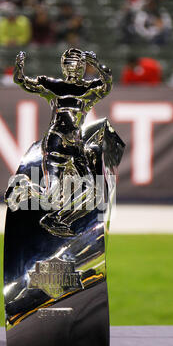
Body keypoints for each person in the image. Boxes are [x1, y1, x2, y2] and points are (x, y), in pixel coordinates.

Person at [13, 48, 112, 236]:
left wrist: (98, 66)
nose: (74, 68)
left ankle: (55, 219)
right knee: (54, 197)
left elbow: (107, 84)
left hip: (76, 144)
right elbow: (23, 82)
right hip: (57, 142)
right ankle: (27, 190)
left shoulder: (88, 89)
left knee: (93, 194)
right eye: (71, 64)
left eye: (78, 64)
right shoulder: (54, 86)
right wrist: (18, 69)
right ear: (64, 66)